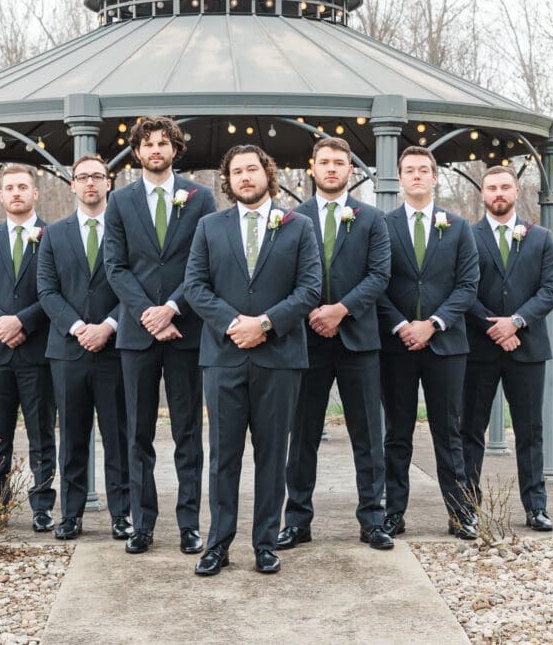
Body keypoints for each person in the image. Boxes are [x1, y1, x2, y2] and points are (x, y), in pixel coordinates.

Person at [185, 144, 321, 576]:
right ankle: (218, 544)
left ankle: (265, 542)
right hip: (223, 357)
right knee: (223, 454)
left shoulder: (298, 227)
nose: (245, 177)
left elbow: (309, 289)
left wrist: (263, 324)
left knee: (271, 452)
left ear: (268, 173)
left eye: (253, 169)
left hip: (279, 358)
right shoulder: (209, 226)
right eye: (237, 171)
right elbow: (195, 286)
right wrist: (232, 324)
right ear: (228, 180)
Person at [103, 116, 217, 555]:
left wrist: (172, 307)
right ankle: (142, 523)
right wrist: (147, 312)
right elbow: (115, 265)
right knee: (138, 433)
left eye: (163, 143)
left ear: (175, 149)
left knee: (188, 432)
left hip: (186, 331)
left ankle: (189, 524)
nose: (155, 150)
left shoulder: (200, 197)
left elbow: (203, 263)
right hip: (136, 335)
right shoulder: (121, 201)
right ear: (137, 152)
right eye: (147, 144)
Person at [278, 137, 393, 551]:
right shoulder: (292, 217)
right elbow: (287, 274)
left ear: (350, 170)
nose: (331, 169)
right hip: (306, 341)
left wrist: (340, 310)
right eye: (324, 162)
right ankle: (297, 520)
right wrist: (313, 313)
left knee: (367, 433)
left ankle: (373, 520)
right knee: (302, 433)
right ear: (312, 168)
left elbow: (379, 276)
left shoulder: (371, 219)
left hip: (358, 341)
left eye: (339, 163)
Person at [377, 146, 480, 540]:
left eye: (424, 170)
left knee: (449, 432)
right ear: (400, 179)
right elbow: (377, 283)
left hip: (447, 346)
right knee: (397, 432)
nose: (417, 176)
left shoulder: (458, 227)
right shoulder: (382, 226)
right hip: (397, 345)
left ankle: (460, 514)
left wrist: (433, 324)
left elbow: (468, 285)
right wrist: (403, 325)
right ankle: (393, 514)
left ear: (435, 178)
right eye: (409, 170)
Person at [461, 165, 553, 532]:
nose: (498, 193)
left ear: (517, 192)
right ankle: (468, 507)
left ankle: (536, 507)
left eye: (505, 187)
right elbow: (462, 290)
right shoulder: (466, 236)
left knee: (530, 430)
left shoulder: (541, 238)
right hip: (478, 349)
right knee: (469, 430)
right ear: (483, 194)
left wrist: (516, 322)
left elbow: (550, 290)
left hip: (527, 348)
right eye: (492, 188)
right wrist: (495, 327)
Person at [38, 154, 132, 541]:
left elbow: (134, 287)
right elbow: (46, 289)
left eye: (97, 176)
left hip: (115, 350)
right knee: (72, 437)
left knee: (118, 437)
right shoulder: (54, 235)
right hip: (67, 351)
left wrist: (108, 326)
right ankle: (71, 515)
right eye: (83, 177)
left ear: (109, 183)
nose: (90, 183)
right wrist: (79, 328)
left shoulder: (127, 230)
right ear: (72, 185)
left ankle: (122, 515)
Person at [0, 164, 56, 532]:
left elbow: (58, 289)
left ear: (35, 193)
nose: (16, 192)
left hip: (39, 350)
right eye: (10, 188)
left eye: (23, 187)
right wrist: (1, 322)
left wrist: (24, 321)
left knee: (42, 432)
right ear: (0, 195)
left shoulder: (54, 236)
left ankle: (42, 507)